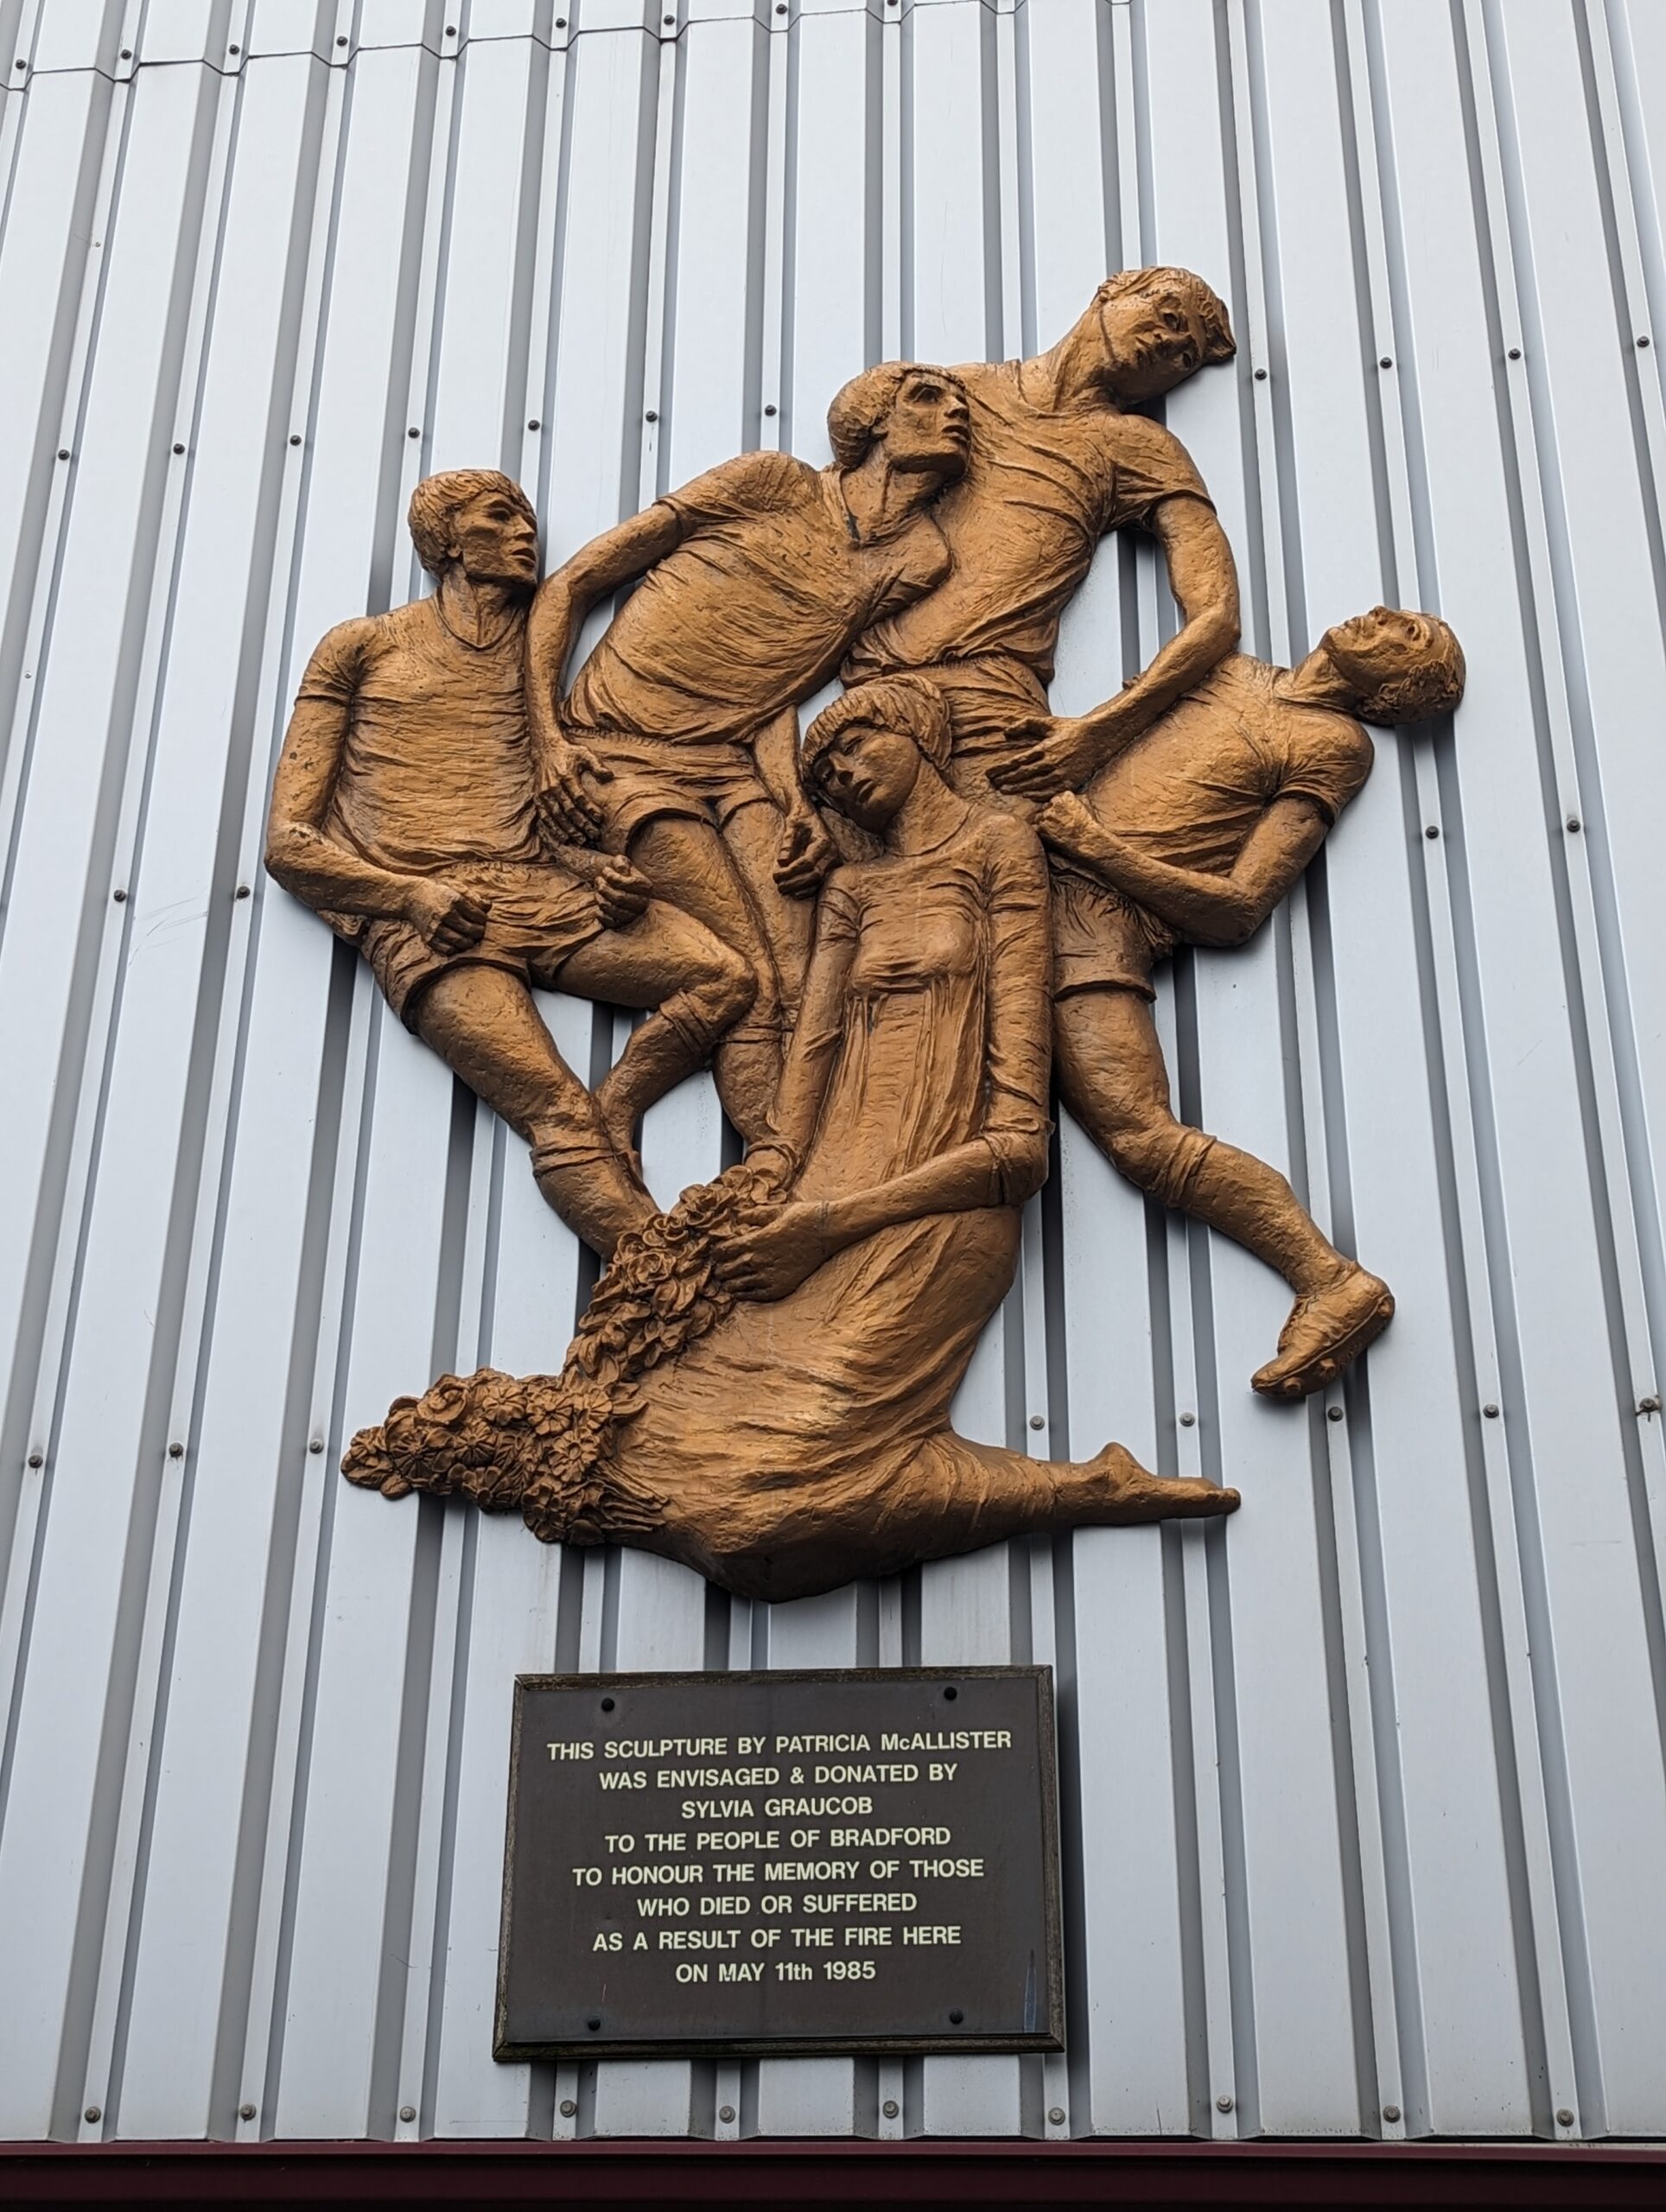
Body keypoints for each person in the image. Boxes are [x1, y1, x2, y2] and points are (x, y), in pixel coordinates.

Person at [342, 677, 1239, 1599]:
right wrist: (771, 1168)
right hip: (811, 1192)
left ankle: (1084, 1489)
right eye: (823, 769)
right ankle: (1084, 1486)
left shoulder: (1000, 850)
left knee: (762, 1501)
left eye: (857, 746)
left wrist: (823, 1225)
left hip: (933, 1199)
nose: (842, 775)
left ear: (919, 737)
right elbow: (809, 1048)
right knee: (683, 1455)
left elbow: (1017, 1148)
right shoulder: (849, 890)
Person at [265, 469, 755, 1260]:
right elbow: (289, 844)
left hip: (540, 888)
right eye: (501, 517)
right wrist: (410, 898)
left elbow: (534, 799)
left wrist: (594, 868)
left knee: (726, 976)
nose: (526, 532)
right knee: (554, 1109)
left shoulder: (536, 657)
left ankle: (619, 1106)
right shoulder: (361, 647)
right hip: (429, 919)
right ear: (447, 541)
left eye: (529, 517)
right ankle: (659, 1287)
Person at [523, 363, 972, 1141]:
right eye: (928, 396)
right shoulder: (770, 482)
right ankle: (751, 1157)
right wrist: (547, 742)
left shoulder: (920, 557)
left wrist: (798, 802)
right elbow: (574, 582)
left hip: (733, 764)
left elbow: (780, 680)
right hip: (617, 750)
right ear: (870, 422)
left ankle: (810, 1160)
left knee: (806, 978)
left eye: (959, 399)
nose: (957, 409)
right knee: (752, 979)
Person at [1033, 606, 1466, 1398]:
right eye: (1393, 614)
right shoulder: (1224, 667)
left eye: (1406, 636)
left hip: (1096, 919)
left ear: (1399, 692)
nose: (1380, 618)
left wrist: (1091, 844)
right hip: (1014, 861)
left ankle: (1330, 1280)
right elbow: (1096, 736)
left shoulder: (1335, 748)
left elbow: (1239, 908)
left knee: (1142, 1138)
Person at [842, 266, 1241, 808]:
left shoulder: (1139, 448)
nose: (1168, 344)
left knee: (999, 876)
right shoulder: (956, 397)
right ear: (1112, 291)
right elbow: (842, 507)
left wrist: (1101, 732)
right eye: (1167, 318)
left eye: (1185, 356)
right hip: (868, 698)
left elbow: (1216, 613)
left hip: (991, 708)